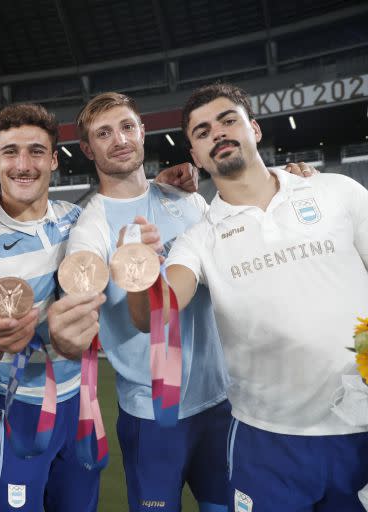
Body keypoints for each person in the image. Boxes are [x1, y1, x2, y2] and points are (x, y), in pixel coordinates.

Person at [126, 82, 368, 511]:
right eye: (201, 132)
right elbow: (154, 314)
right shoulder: (196, 240)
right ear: (196, 157)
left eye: (227, 121)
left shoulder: (338, 192)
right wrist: (139, 269)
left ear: (254, 129)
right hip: (265, 440)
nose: (216, 133)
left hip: (361, 429)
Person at [47, 91, 232, 512]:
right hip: (151, 414)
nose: (120, 139)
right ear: (87, 148)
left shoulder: (188, 200)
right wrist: (75, 305)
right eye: (104, 133)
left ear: (143, 132)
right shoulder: (91, 224)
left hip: (220, 401)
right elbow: (82, 274)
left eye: (127, 127)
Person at [0, 103, 101, 512]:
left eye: (36, 151)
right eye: (11, 151)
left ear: (54, 159)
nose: (24, 164)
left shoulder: (78, 219)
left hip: (82, 399)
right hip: (15, 406)